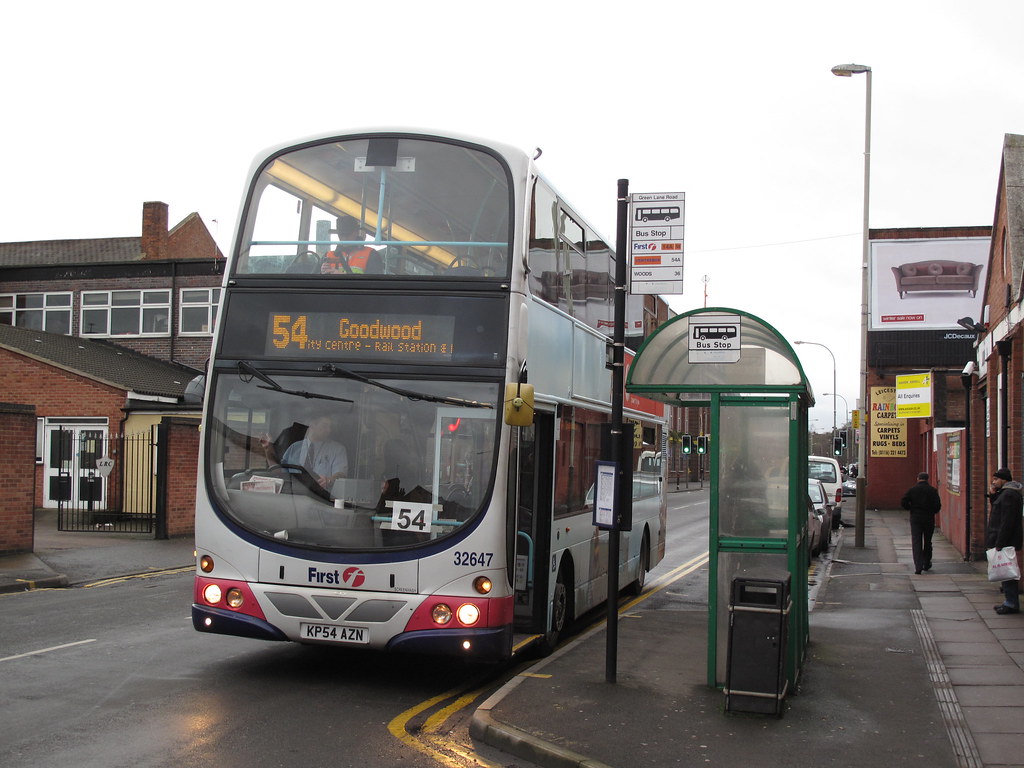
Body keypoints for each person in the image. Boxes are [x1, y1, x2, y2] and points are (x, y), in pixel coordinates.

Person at [262, 415, 348, 490]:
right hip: (294, 497)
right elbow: (279, 472)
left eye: (330, 427)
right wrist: (268, 450)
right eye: (325, 426)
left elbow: (341, 474)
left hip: (323, 499)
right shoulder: (294, 447)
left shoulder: (337, 449)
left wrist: (328, 480)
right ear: (312, 425)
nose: (328, 430)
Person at [987, 468, 1023, 615]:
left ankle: (1011, 603)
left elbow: (1006, 521)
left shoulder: (1008, 494)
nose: (994, 482)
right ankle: (1009, 601)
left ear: (1004, 480)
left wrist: (999, 543)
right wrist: (993, 495)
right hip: (1005, 539)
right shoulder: (1006, 494)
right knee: (1005, 570)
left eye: (996, 479)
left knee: (1007, 571)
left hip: (1005, 540)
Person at [900, 471, 941, 574]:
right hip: (928, 518)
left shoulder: (912, 490)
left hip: (916, 518)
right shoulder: (932, 490)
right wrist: (932, 511)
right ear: (928, 479)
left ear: (918, 478)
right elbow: (938, 506)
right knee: (928, 541)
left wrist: (911, 508)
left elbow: (903, 501)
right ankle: (926, 563)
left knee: (916, 541)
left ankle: (918, 566)